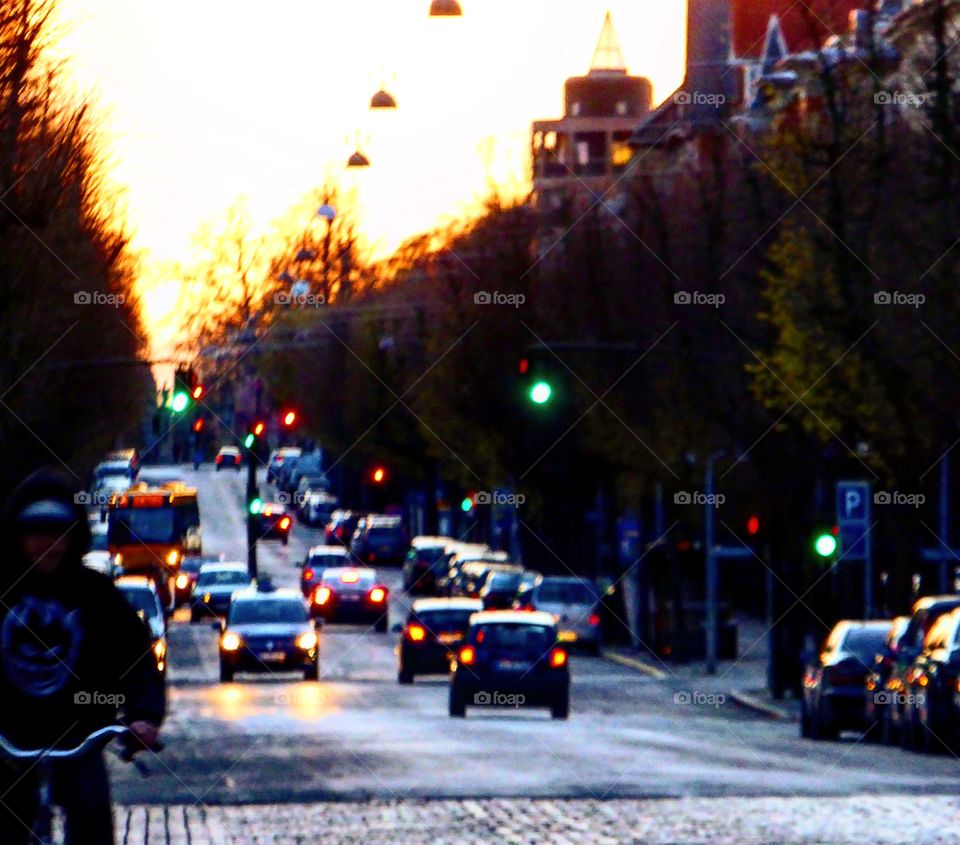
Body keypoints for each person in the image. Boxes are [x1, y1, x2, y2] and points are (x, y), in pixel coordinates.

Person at [0, 471, 165, 844]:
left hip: (78, 741)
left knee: (90, 816)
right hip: (8, 743)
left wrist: (144, 716)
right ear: (16, 536)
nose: (47, 544)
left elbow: (135, 658)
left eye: (57, 533)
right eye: (35, 533)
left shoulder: (96, 595)